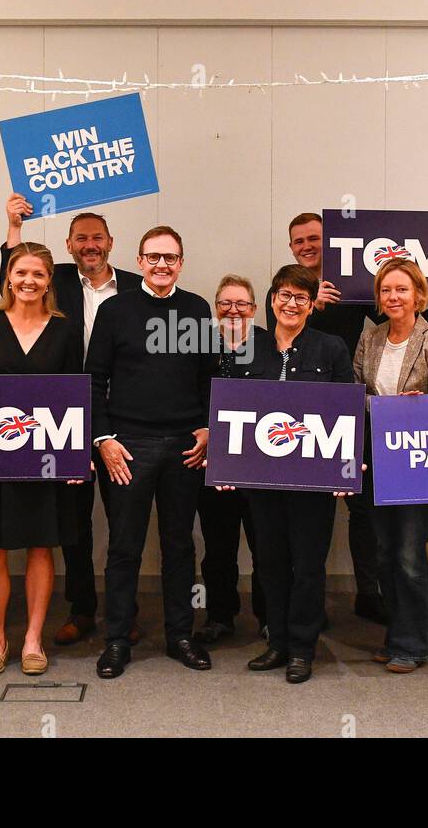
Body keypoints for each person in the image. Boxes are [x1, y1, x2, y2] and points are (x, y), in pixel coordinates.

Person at [2, 193, 144, 646]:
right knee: (74, 522)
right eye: (81, 238)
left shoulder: (136, 287)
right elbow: (15, 265)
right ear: (68, 245)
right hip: (61, 416)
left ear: (111, 243)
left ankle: (126, 613)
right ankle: (82, 610)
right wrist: (14, 225)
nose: (90, 245)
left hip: (122, 415)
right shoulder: (55, 280)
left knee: (126, 522)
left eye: (97, 238)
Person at [86, 225, 216, 679]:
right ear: (140, 261)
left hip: (185, 447)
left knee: (180, 545)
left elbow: (206, 379)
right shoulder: (114, 310)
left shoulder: (197, 308)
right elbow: (94, 380)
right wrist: (103, 440)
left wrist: (206, 428)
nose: (162, 265)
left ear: (181, 262)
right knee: (124, 547)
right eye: (153, 257)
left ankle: (182, 635)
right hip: (128, 447)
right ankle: (118, 639)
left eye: (171, 257)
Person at [216, 265, 352, 684]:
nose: (291, 304)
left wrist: (346, 467)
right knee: (270, 562)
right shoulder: (248, 349)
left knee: (307, 564)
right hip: (261, 479)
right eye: (284, 295)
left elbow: (345, 409)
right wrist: (225, 461)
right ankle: (276, 641)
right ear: (272, 300)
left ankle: (302, 647)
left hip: (312, 481)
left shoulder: (331, 349)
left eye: (301, 298)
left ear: (312, 306)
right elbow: (231, 408)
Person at [0, 243, 83, 676]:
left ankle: (33, 638)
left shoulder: (66, 330)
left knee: (40, 546)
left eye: (38, 274)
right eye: (22, 273)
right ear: (8, 277)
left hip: (47, 457)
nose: (29, 281)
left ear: (49, 280)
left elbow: (77, 395)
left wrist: (76, 455)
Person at [268, 213, 387, 624]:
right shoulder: (287, 293)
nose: (307, 246)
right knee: (296, 522)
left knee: (363, 509)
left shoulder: (355, 280)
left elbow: (392, 311)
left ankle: (368, 592)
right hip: (295, 425)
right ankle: (295, 615)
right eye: (298, 240)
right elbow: (277, 345)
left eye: (314, 238)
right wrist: (311, 306)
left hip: (349, 407)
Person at [355, 259, 428, 674]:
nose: (392, 297)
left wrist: (417, 409)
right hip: (378, 459)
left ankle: (413, 644)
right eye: (385, 290)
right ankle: (396, 633)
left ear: (418, 294)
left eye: (401, 289)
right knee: (383, 553)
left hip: (417, 462)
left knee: (410, 554)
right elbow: (356, 392)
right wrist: (384, 408)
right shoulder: (371, 339)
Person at [194, 275, 266, 644]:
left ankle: (269, 616)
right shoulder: (197, 344)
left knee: (264, 544)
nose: (233, 310)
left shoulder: (270, 345)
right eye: (225, 303)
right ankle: (221, 616)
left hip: (259, 465)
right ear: (215, 307)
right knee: (218, 546)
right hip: (213, 462)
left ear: (254, 309)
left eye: (241, 304)